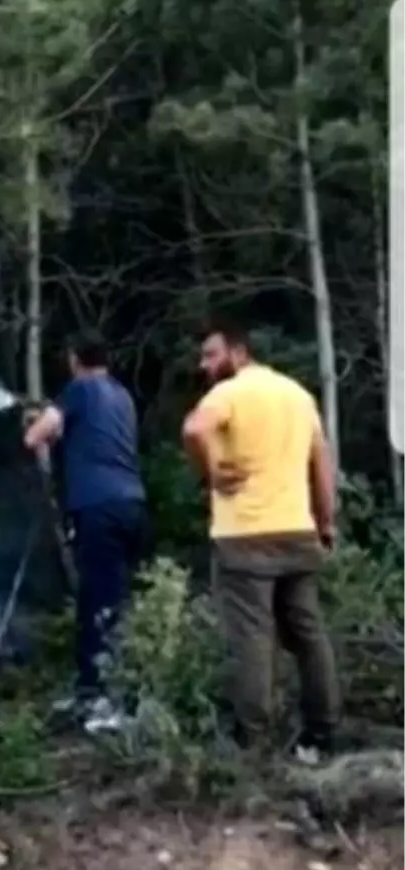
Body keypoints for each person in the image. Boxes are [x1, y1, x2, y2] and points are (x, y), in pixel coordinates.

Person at [181, 321, 340, 759]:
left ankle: (254, 743)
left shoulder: (229, 393)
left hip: (245, 538)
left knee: (251, 638)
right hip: (297, 531)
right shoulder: (298, 395)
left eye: (211, 355)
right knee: (309, 634)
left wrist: (210, 471)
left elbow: (194, 429)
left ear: (237, 352)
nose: (205, 365)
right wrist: (325, 523)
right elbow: (321, 467)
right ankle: (322, 733)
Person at [24, 333, 146, 725]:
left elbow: (35, 437)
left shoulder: (80, 388)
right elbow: (94, 437)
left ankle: (105, 697)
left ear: (76, 360)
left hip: (98, 508)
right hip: (132, 505)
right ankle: (99, 686)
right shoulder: (121, 395)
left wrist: (40, 420)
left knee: (98, 601)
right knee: (116, 596)